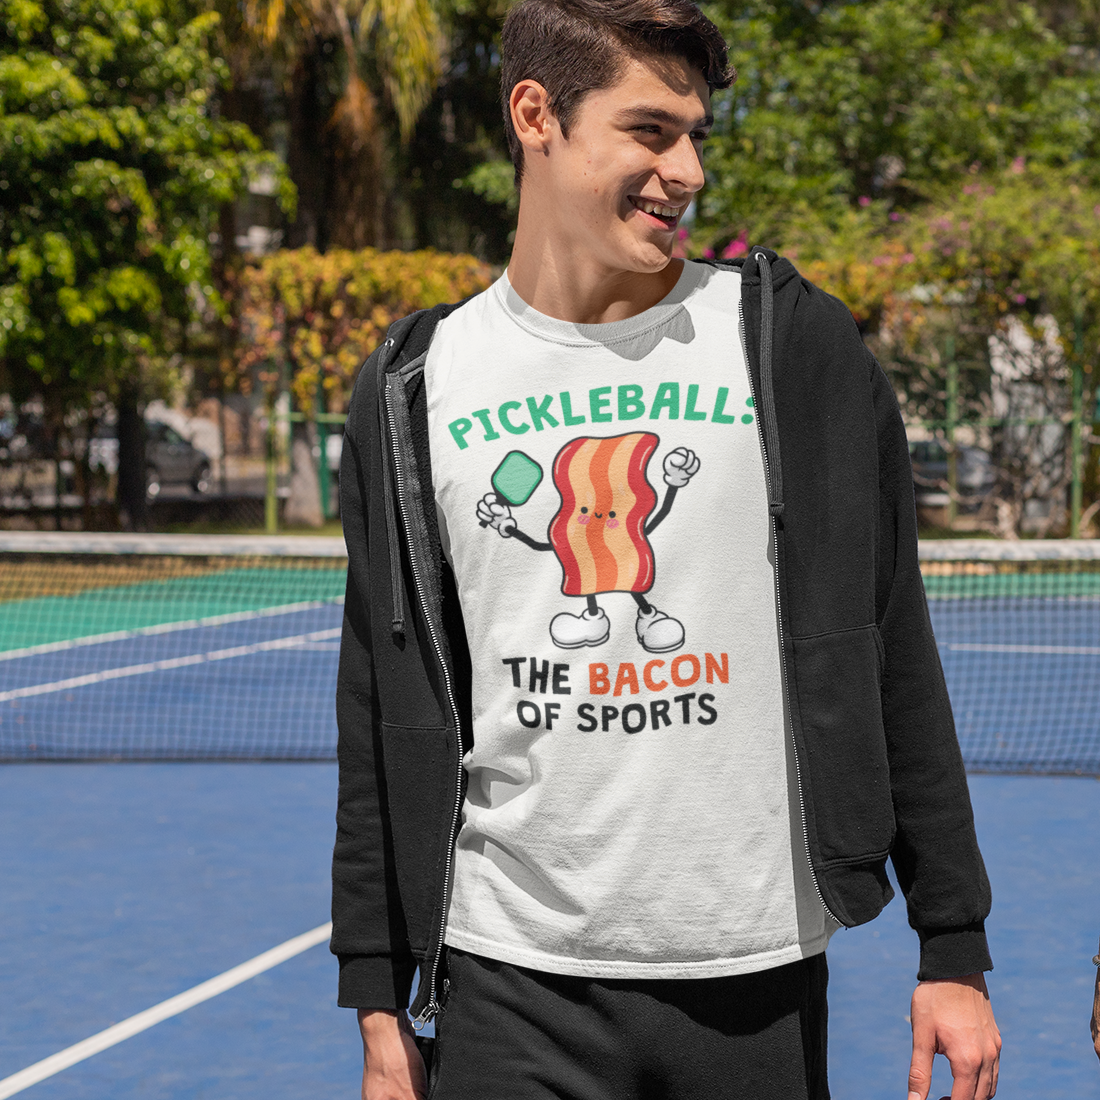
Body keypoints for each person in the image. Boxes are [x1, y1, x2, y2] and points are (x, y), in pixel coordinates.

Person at [330, 0, 1002, 1096]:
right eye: (649, 130)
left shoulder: (789, 344)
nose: (684, 168)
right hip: (506, 979)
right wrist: (375, 984)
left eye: (695, 133)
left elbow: (887, 637)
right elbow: (380, 694)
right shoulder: (415, 381)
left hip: (752, 978)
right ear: (535, 114)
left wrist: (952, 941)